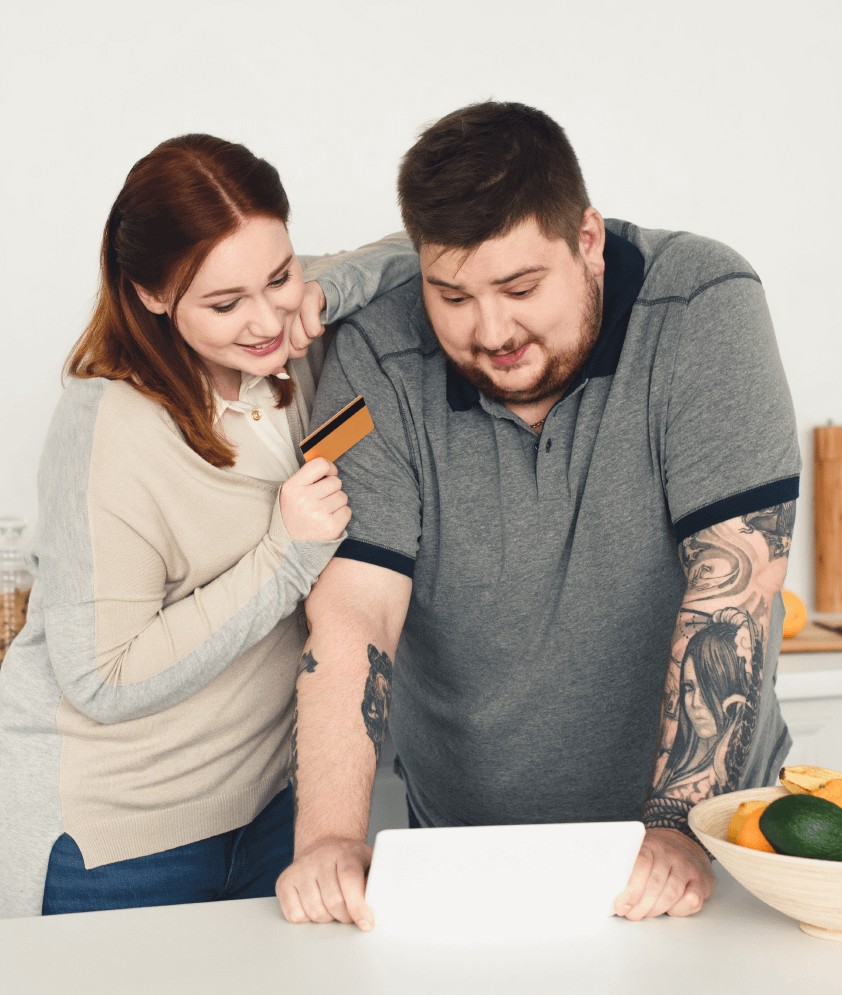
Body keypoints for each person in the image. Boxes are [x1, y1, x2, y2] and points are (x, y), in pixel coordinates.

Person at [275, 102, 800, 929]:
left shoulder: (703, 305)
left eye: (521, 288)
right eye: (452, 295)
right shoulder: (378, 349)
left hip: (705, 846)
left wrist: (674, 830)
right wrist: (329, 839)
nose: (491, 330)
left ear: (587, 239)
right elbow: (355, 609)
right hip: (466, 851)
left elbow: (733, 582)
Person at [0, 133, 418, 919]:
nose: (265, 320)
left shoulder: (290, 323)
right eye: (224, 304)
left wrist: (326, 289)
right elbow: (103, 676)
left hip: (265, 813)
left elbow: (421, 251)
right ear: (151, 294)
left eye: (279, 275)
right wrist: (286, 557)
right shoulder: (108, 423)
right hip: (112, 845)